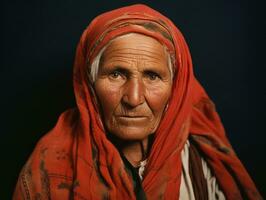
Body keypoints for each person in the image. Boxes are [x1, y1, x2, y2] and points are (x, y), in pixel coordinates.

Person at [13, 4, 262, 200]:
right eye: (116, 74)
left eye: (153, 76)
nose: (133, 98)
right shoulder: (48, 168)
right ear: (88, 84)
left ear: (175, 88)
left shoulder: (207, 164)